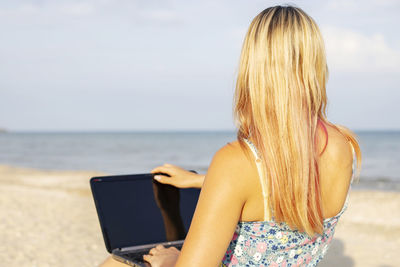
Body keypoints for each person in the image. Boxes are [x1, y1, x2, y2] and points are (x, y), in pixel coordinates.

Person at [100, 5, 362, 267]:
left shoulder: (236, 162)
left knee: (114, 263)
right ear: (315, 64)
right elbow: (287, 182)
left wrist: (173, 259)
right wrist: (201, 180)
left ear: (253, 68)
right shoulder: (344, 145)